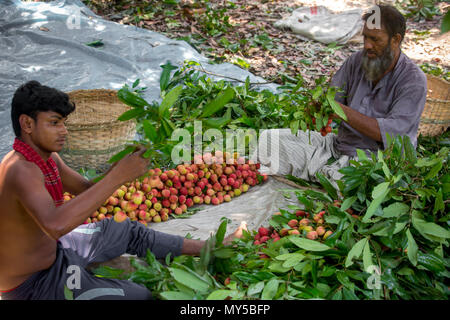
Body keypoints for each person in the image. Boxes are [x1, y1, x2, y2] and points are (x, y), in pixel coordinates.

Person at [0, 81, 246, 300]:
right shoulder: (20, 170)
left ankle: (209, 248)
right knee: (138, 295)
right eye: (54, 123)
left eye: (64, 123)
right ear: (27, 124)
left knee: (125, 229)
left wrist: (117, 169)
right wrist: (118, 177)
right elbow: (54, 225)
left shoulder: (48, 159)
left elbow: (85, 188)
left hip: (58, 250)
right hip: (34, 284)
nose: (64, 131)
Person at [256, 5, 427, 185]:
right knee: (269, 140)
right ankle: (324, 173)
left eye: (375, 39)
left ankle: (325, 174)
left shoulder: (413, 80)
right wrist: (318, 106)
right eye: (365, 37)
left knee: (350, 183)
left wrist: (339, 110)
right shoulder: (357, 61)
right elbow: (331, 100)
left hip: (379, 160)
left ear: (395, 40)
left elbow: (391, 133)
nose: (367, 45)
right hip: (339, 146)